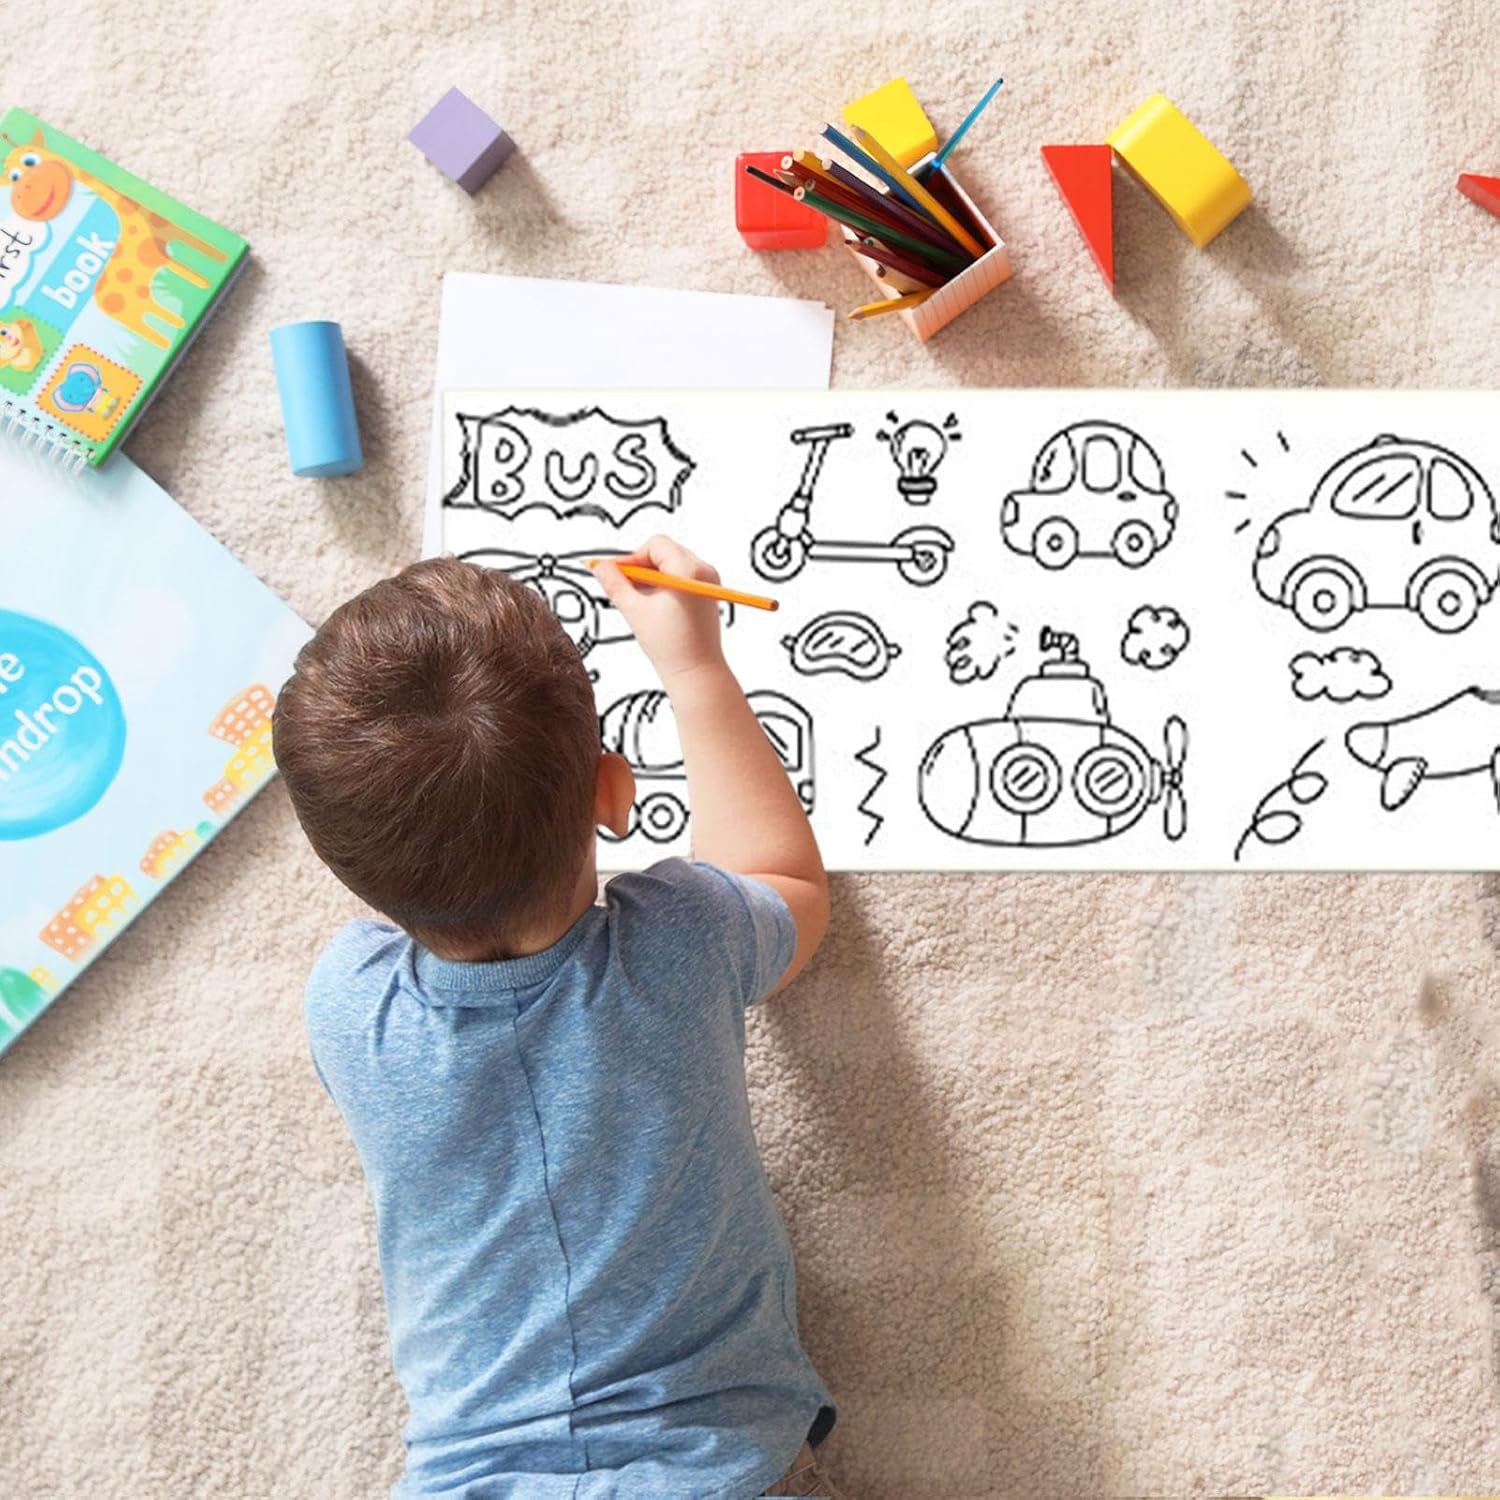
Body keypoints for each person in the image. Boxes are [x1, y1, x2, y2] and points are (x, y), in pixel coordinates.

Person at [271, 537, 844, 1497]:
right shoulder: (685, 938)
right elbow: (786, 881)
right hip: (714, 1471)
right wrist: (695, 668)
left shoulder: (347, 1005)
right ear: (615, 795)